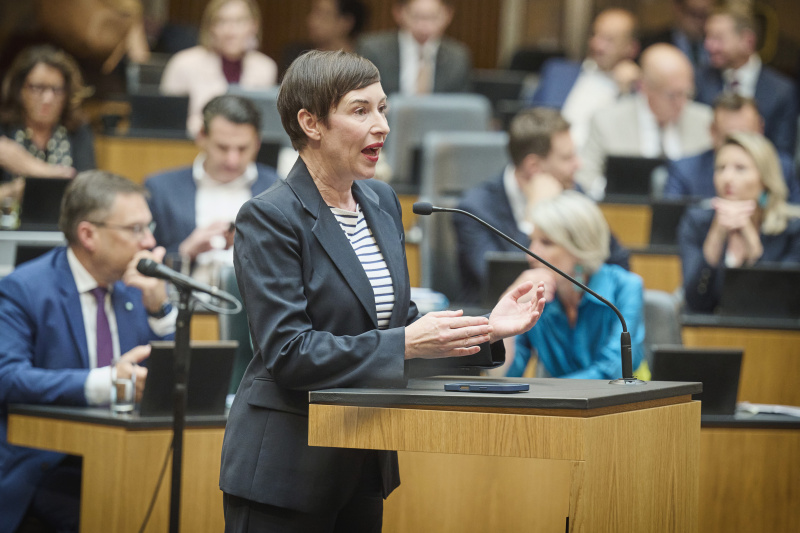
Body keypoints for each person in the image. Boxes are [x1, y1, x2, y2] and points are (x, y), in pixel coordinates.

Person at [218, 50, 546, 532]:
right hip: (286, 470)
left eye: (383, 109)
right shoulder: (271, 217)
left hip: (362, 462)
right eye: (360, 110)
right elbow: (290, 352)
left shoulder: (381, 202)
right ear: (311, 123)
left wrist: (485, 329)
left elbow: (401, 329)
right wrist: (407, 342)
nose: (382, 126)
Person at [0, 170, 176, 533]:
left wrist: (160, 312)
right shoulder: (24, 290)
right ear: (88, 234)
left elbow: (175, 378)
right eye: (135, 229)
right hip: (50, 463)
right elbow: (8, 378)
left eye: (149, 226)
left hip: (127, 455)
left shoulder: (135, 288)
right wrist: (109, 382)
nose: (150, 240)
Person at [454, 107, 630, 304]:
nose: (578, 164)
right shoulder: (474, 210)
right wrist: (534, 214)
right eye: (566, 158)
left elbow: (617, 260)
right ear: (534, 167)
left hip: (562, 320)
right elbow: (503, 284)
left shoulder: (573, 193)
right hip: (497, 325)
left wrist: (578, 283)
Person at [506, 191, 645, 379]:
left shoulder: (626, 287)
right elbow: (507, 374)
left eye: (546, 243)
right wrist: (507, 313)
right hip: (558, 404)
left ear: (580, 248)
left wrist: (550, 394)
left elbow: (612, 371)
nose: (530, 255)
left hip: (624, 403)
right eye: (532, 241)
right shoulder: (534, 295)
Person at [145, 95, 279, 282]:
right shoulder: (161, 189)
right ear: (201, 137)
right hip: (186, 304)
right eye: (223, 147)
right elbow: (140, 261)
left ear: (257, 143)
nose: (232, 160)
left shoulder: (280, 189)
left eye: (242, 149)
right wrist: (184, 252)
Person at [679, 132, 800, 313]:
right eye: (721, 168)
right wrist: (715, 240)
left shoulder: (792, 228)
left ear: (765, 179)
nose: (727, 178)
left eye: (740, 168)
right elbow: (695, 303)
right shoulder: (697, 222)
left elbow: (784, 305)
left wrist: (753, 248)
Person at [576, 43, 713, 199]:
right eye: (672, 95)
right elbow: (586, 176)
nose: (681, 103)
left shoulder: (705, 121)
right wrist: (611, 194)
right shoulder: (607, 121)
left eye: (687, 93)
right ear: (644, 87)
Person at [160, 0, 277, 136]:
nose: (230, 31)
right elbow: (166, 124)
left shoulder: (265, 68)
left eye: (239, 21)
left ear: (254, 26)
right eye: (221, 22)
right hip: (192, 147)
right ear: (210, 27)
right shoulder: (183, 64)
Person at [529, 8, 641, 149]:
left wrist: (631, 90)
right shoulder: (557, 73)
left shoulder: (636, 89)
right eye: (595, 35)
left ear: (631, 48)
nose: (597, 45)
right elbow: (529, 126)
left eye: (609, 40)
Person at [696, 5, 798, 155]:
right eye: (707, 37)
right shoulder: (700, 80)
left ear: (747, 41)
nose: (708, 45)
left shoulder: (782, 91)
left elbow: (784, 156)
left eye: (717, 38)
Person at [664, 93, 800, 202]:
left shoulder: (782, 168)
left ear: (760, 129)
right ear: (713, 132)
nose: (737, 146)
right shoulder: (684, 171)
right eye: (728, 139)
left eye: (745, 137)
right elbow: (670, 231)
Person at [0, 45, 94, 184]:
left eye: (56, 90)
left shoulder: (77, 130)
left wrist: (30, 167)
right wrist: (13, 192)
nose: (48, 99)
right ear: (20, 90)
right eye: (38, 88)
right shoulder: (4, 129)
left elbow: (86, 188)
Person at [357, 0, 471, 95]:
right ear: (399, 13)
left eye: (433, 18)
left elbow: (460, 107)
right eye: (417, 17)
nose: (424, 26)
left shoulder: (458, 56)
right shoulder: (374, 50)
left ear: (448, 15)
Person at [280, 0, 368, 78]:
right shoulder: (297, 55)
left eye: (322, 15)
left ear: (346, 22)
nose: (311, 20)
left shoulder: (365, 63)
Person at [639, 0, 713, 72]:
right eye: (694, 13)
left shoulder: (715, 44)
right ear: (677, 8)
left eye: (704, 15)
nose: (700, 22)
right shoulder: (652, 44)